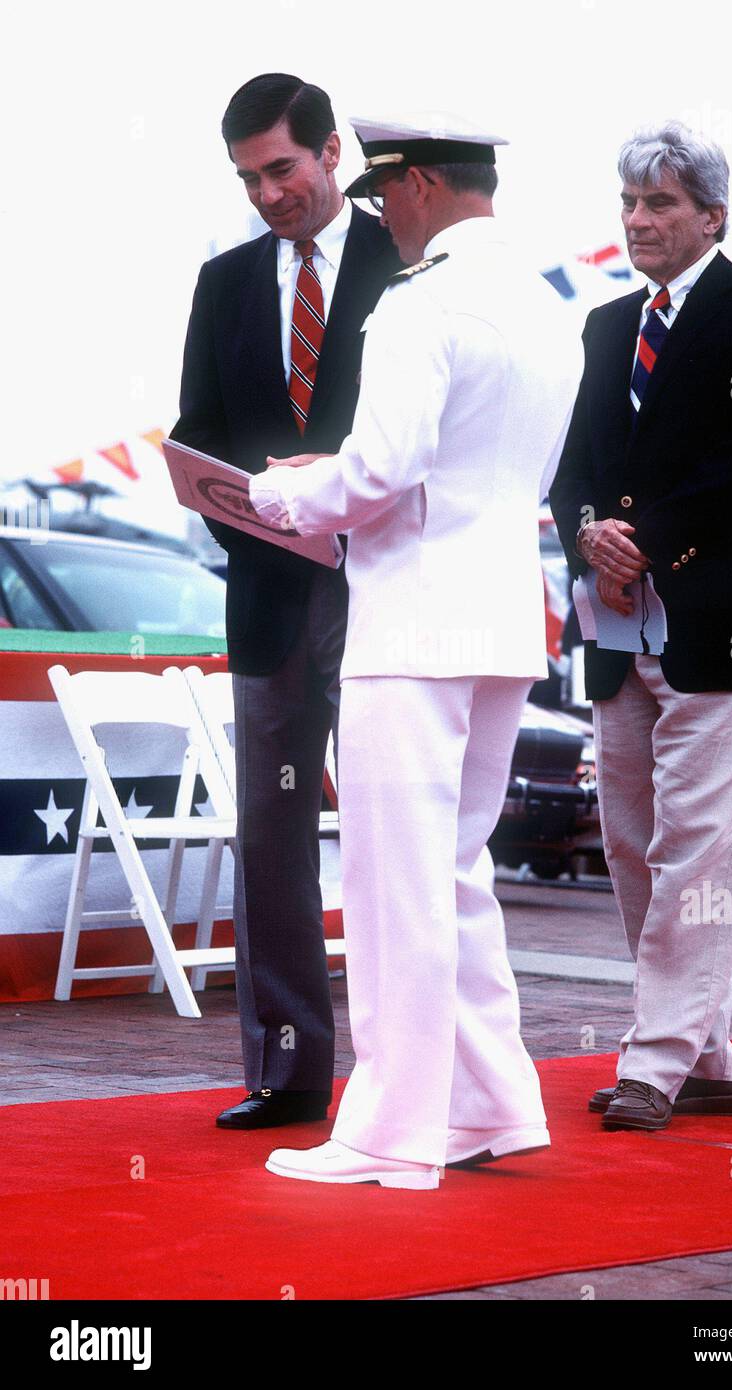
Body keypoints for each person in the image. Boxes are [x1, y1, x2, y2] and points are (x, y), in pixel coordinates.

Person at [248, 112, 584, 1188]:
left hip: (410, 622)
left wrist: (282, 489)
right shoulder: (547, 307)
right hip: (500, 618)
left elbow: (379, 469)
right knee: (454, 873)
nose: (382, 215)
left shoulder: (417, 303)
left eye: (387, 193)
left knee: (397, 883)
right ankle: (491, 1103)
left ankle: (388, 1132)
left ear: (426, 184)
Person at [550, 122, 732, 1132]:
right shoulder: (608, 325)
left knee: (700, 859)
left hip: (726, 629)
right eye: (629, 203)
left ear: (712, 213)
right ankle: (707, 1056)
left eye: (660, 203)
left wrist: (644, 539)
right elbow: (573, 463)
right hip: (621, 635)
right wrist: (589, 535)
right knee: (633, 850)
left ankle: (652, 1063)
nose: (639, 220)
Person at [170, 74, 400, 1130]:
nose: (268, 194)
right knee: (271, 832)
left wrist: (337, 502)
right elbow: (201, 437)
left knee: (400, 829)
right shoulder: (221, 285)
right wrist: (263, 519)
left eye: (281, 169)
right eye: (248, 178)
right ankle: (292, 1070)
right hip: (268, 596)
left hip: (388, 585)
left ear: (331, 155)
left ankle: (410, 1068)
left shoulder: (408, 265)